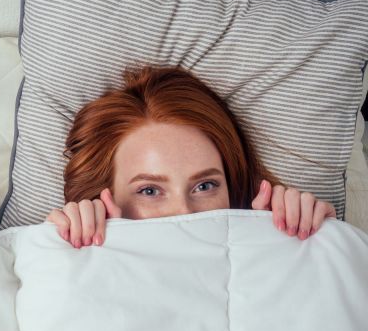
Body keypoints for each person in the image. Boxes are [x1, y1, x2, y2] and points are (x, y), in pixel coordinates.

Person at [48, 66, 336, 248]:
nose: (185, 212)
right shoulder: (66, 262)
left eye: (205, 186)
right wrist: (65, 252)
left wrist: (286, 247)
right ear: (104, 199)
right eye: (149, 190)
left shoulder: (271, 242)